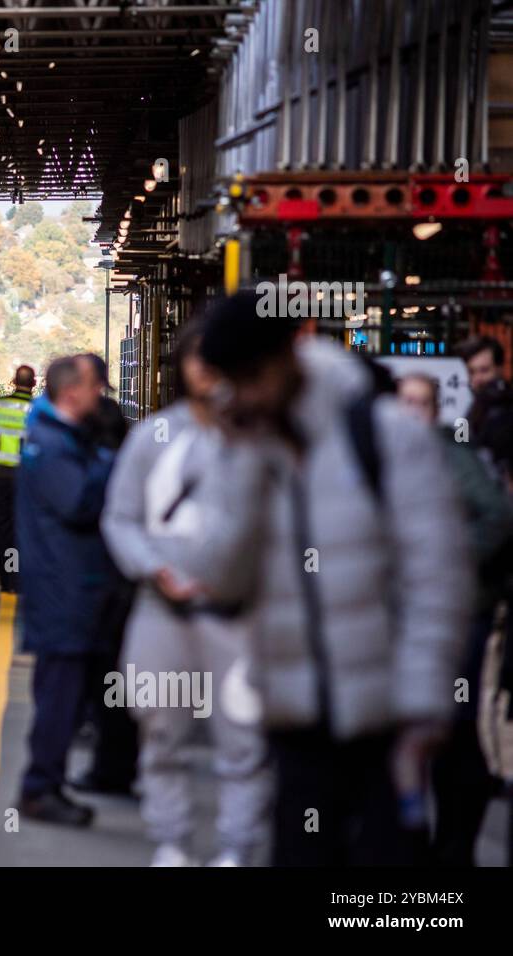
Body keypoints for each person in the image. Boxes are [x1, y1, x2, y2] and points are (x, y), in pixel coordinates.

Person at [179, 293, 470, 867]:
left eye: (255, 374)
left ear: (291, 353)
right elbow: (221, 578)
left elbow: (438, 578)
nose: (250, 392)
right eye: (236, 381)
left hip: (388, 719)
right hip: (294, 718)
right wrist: (236, 463)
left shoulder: (383, 436)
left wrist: (425, 704)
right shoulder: (244, 448)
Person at [101, 322, 270, 866]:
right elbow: (121, 518)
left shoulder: (259, 438)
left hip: (238, 614)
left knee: (243, 740)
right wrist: (153, 569)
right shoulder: (152, 437)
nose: (204, 367)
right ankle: (172, 843)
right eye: (195, 357)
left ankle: (235, 848)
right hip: (162, 611)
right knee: (161, 731)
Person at [397, 372, 513, 865]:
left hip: (460, 613)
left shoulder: (451, 457)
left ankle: (449, 848)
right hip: (405, 615)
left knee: (452, 729)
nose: (412, 413)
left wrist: (448, 560)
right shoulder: (384, 458)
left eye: (421, 403)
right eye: (404, 402)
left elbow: (495, 517)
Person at [15, 354, 114, 826]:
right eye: (97, 386)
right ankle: (40, 788)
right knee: (60, 694)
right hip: (62, 587)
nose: (103, 394)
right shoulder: (53, 445)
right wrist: (110, 466)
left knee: (64, 692)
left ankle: (45, 784)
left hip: (67, 584)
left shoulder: (57, 437)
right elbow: (77, 501)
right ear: (72, 392)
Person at [72, 360, 139, 798]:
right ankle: (117, 759)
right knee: (117, 673)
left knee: (97, 666)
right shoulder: (131, 461)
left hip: (99, 583)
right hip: (126, 584)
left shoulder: (95, 469)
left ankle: (108, 762)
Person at [0, 365, 35, 592]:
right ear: (33, 384)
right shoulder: (38, 410)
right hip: (28, 480)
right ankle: (20, 578)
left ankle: (7, 580)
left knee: (4, 530)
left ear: (13, 382)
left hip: (1, 478)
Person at [458, 335, 513, 486]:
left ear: (500, 369)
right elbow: (460, 451)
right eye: (472, 372)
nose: (478, 379)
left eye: (484, 370)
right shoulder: (467, 414)